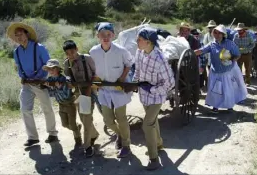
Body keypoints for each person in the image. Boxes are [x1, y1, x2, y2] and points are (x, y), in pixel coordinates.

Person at [7, 22, 58, 147]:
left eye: (21, 34)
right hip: (26, 84)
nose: (18, 37)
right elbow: (19, 67)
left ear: (27, 34)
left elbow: (49, 64)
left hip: (40, 82)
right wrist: (22, 78)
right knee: (25, 109)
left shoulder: (39, 48)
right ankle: (33, 137)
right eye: (16, 35)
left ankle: (52, 134)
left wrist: (46, 79)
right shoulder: (16, 52)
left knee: (47, 108)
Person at [89, 22, 134, 158]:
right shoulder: (93, 51)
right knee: (108, 121)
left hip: (119, 89)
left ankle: (126, 145)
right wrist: (96, 82)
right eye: (102, 35)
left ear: (113, 35)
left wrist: (122, 78)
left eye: (108, 34)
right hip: (104, 90)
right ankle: (120, 134)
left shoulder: (121, 50)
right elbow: (93, 70)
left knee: (122, 118)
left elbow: (129, 64)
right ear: (98, 36)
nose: (105, 37)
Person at [133, 27, 175, 170]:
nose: (136, 42)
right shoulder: (139, 52)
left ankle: (154, 159)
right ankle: (158, 144)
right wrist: (135, 82)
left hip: (157, 96)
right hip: (144, 96)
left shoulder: (160, 59)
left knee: (147, 125)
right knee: (153, 121)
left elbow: (170, 83)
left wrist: (151, 89)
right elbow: (137, 70)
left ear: (148, 42)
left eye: (139, 39)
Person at [194, 24, 247, 112]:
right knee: (216, 89)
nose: (217, 35)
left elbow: (238, 55)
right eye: (215, 33)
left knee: (227, 89)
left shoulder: (230, 44)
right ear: (213, 34)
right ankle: (215, 106)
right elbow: (201, 50)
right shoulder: (212, 44)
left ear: (223, 34)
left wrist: (231, 59)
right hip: (215, 71)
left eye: (219, 33)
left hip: (227, 71)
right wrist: (191, 52)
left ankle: (229, 106)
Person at [63, 40, 99, 157]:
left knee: (86, 118)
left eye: (72, 52)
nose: (71, 55)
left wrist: (90, 87)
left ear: (77, 49)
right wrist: (69, 82)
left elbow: (96, 73)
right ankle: (94, 134)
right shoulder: (67, 63)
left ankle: (87, 146)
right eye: (68, 53)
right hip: (78, 93)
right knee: (83, 118)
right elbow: (68, 77)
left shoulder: (86, 58)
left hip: (90, 91)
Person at [42, 59, 82, 148]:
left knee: (72, 124)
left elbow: (67, 94)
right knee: (64, 124)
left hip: (70, 104)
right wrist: (49, 87)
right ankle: (77, 127)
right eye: (49, 69)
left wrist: (59, 87)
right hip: (61, 104)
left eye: (52, 68)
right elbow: (52, 94)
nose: (50, 71)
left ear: (57, 69)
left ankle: (78, 140)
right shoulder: (50, 80)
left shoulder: (65, 79)